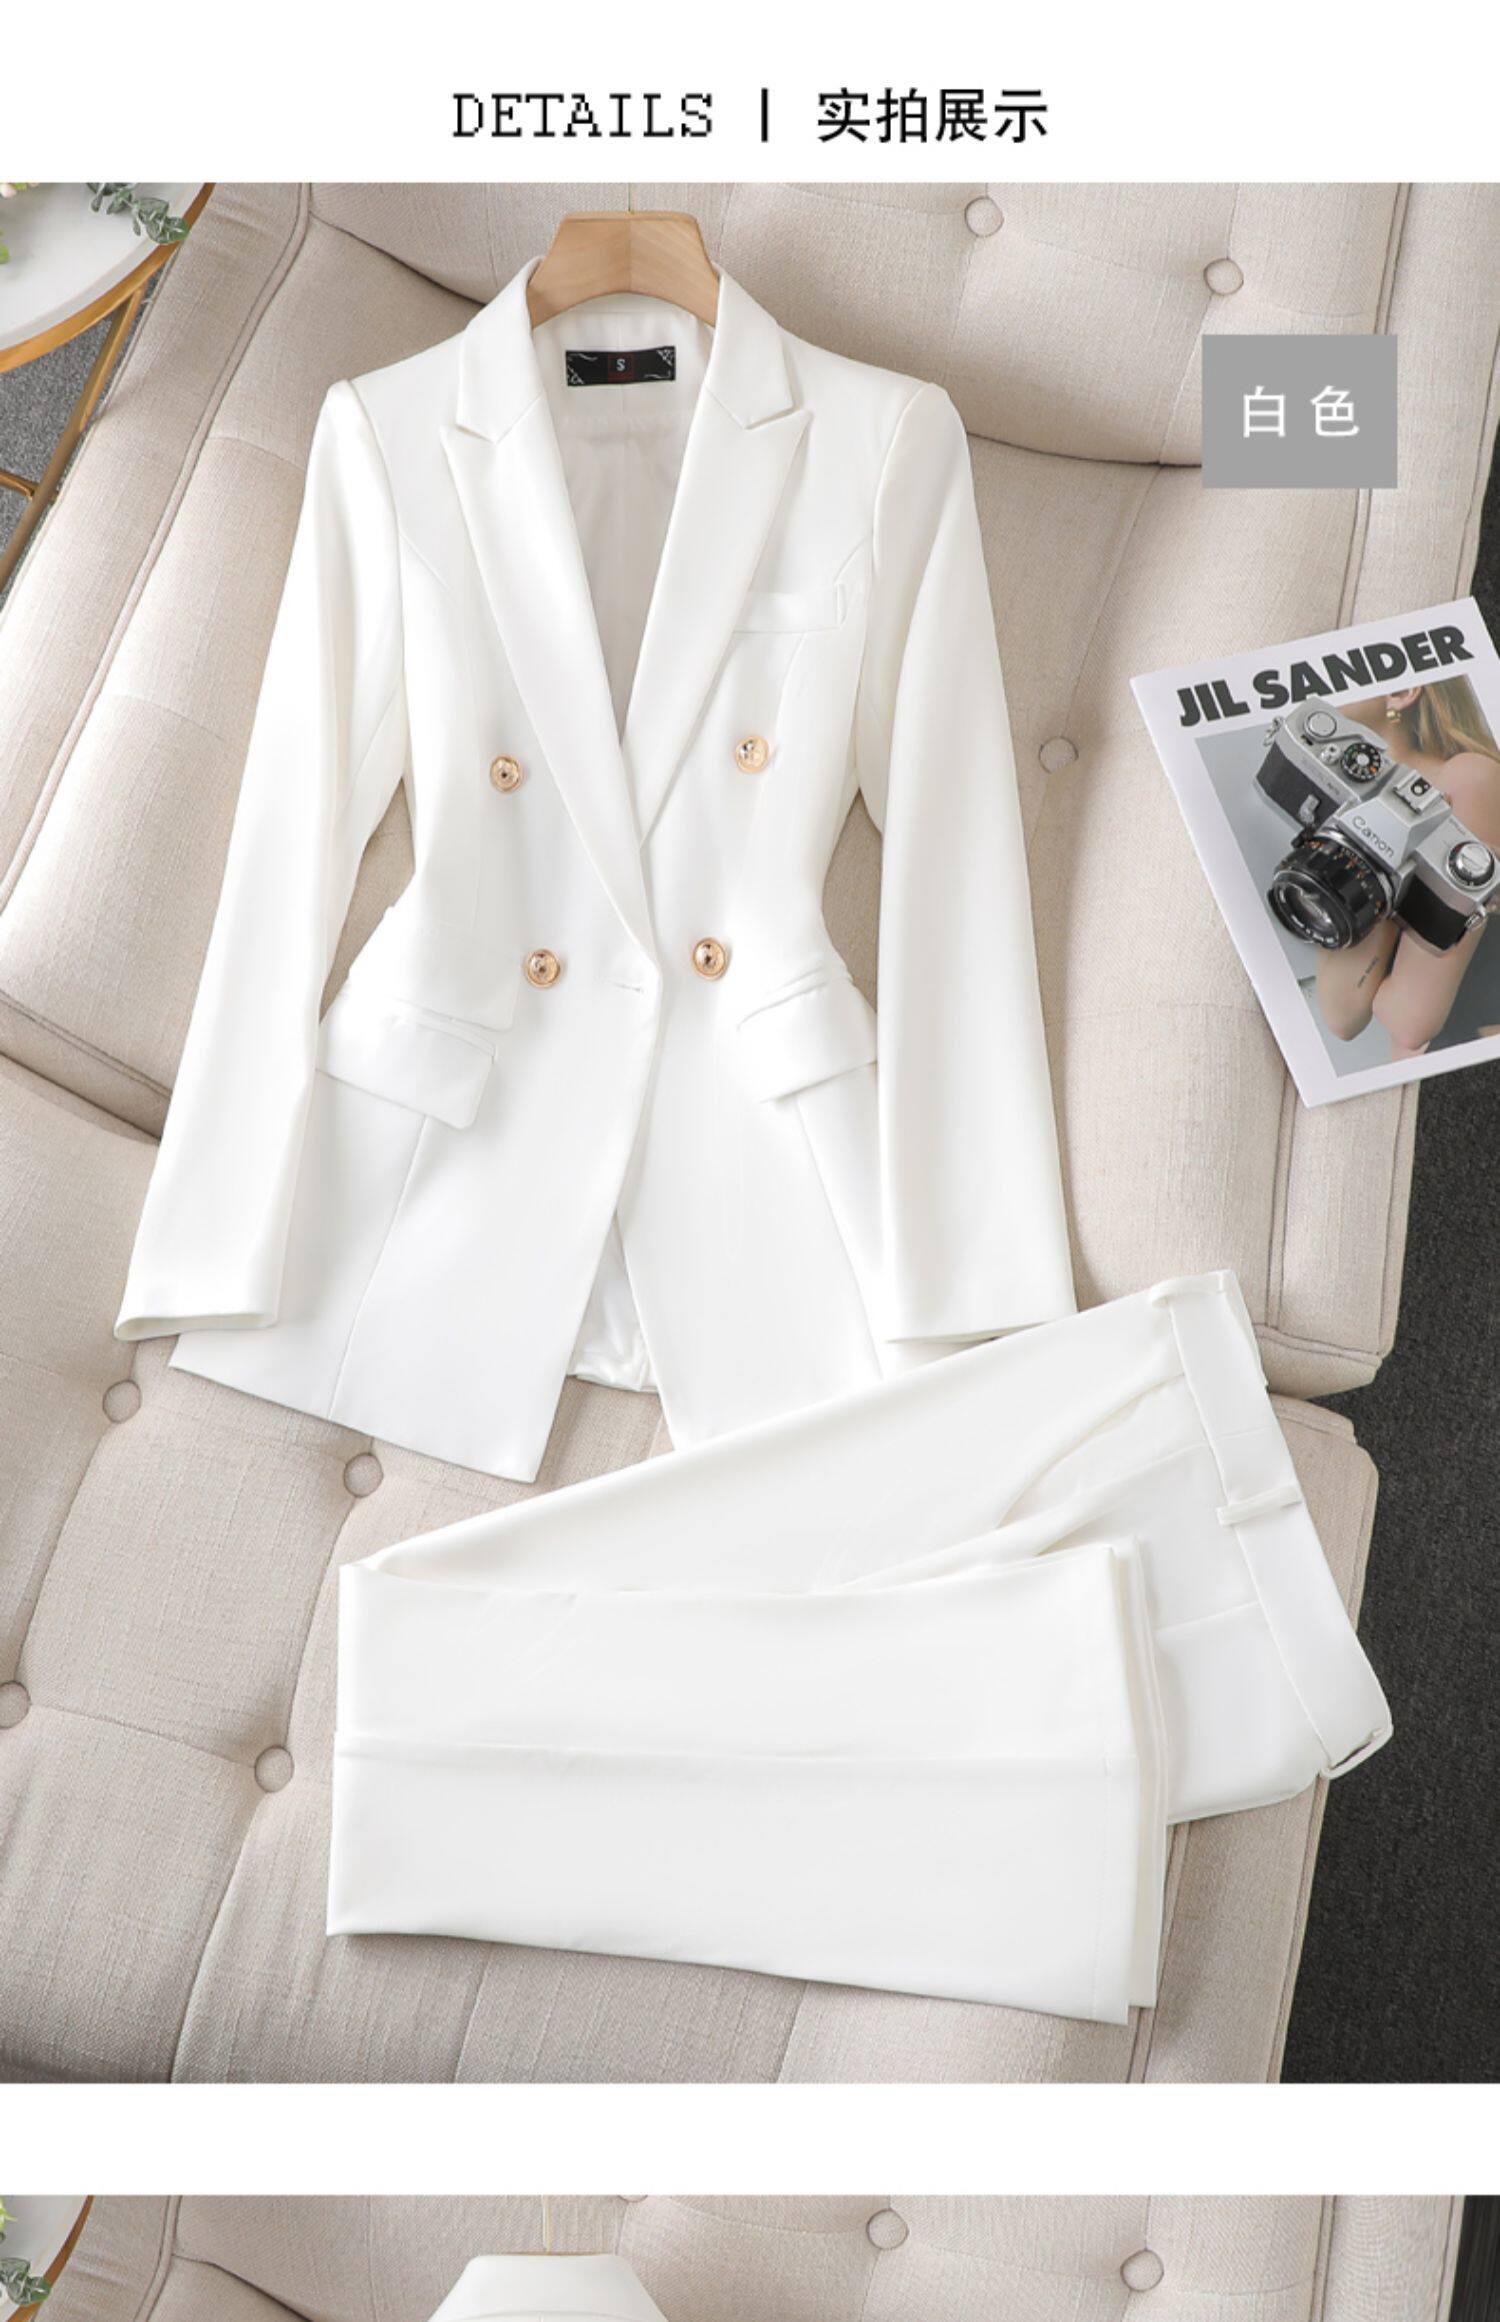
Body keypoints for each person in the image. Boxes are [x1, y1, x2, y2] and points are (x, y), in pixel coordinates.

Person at [1314, 677, 1500, 1056]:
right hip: (1424, 1068)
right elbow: (1342, 1015)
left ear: (1400, 693)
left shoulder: (1469, 776)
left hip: (1471, 1058)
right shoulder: (1352, 812)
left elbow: (1409, 1020)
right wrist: (1387, 860)